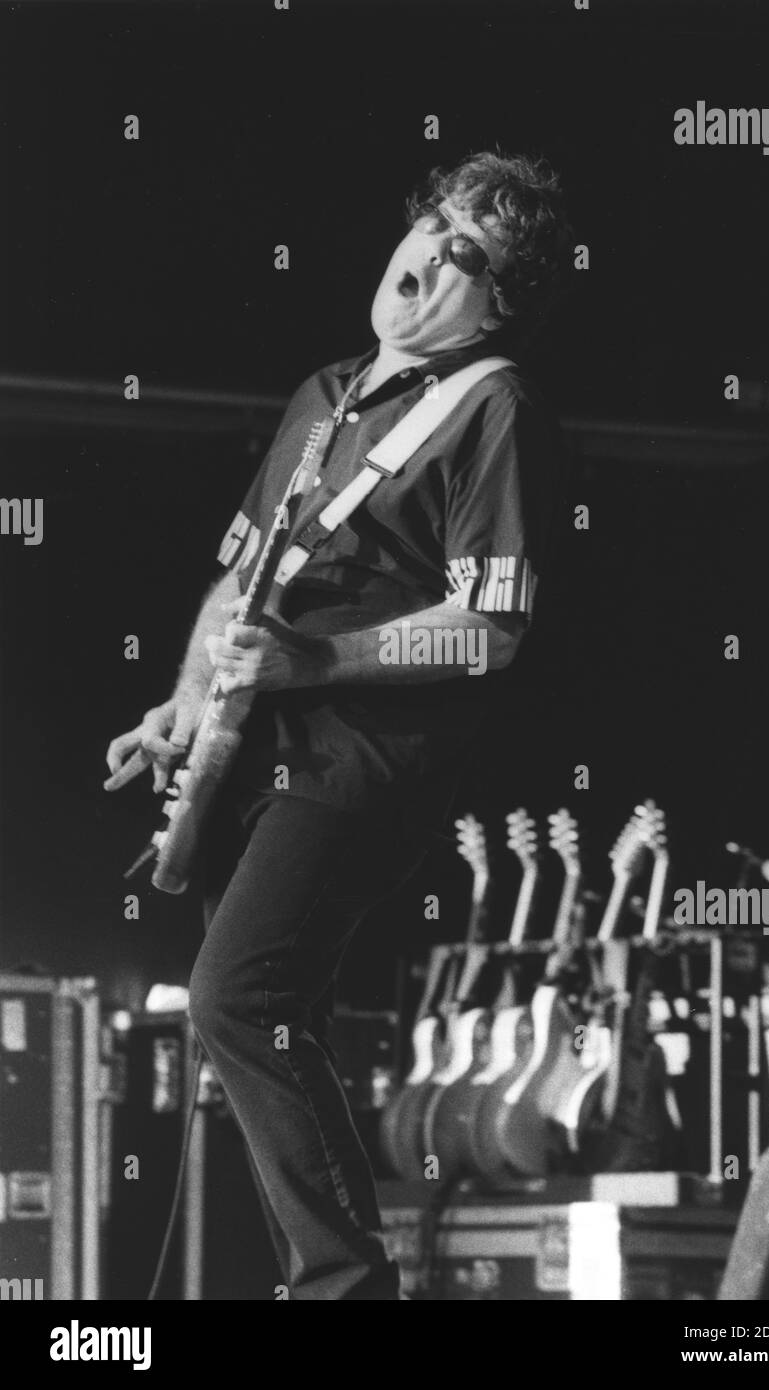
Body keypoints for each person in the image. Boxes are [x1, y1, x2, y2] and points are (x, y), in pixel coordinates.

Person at [105, 151, 572, 1300]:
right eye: (428, 223)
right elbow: (243, 576)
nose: (426, 253)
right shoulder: (320, 395)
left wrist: (319, 657)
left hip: (365, 762)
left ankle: (345, 1288)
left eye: (465, 250)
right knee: (260, 1022)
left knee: (238, 998)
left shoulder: (491, 405)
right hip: (253, 754)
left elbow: (491, 628)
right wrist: (179, 702)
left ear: (497, 298)